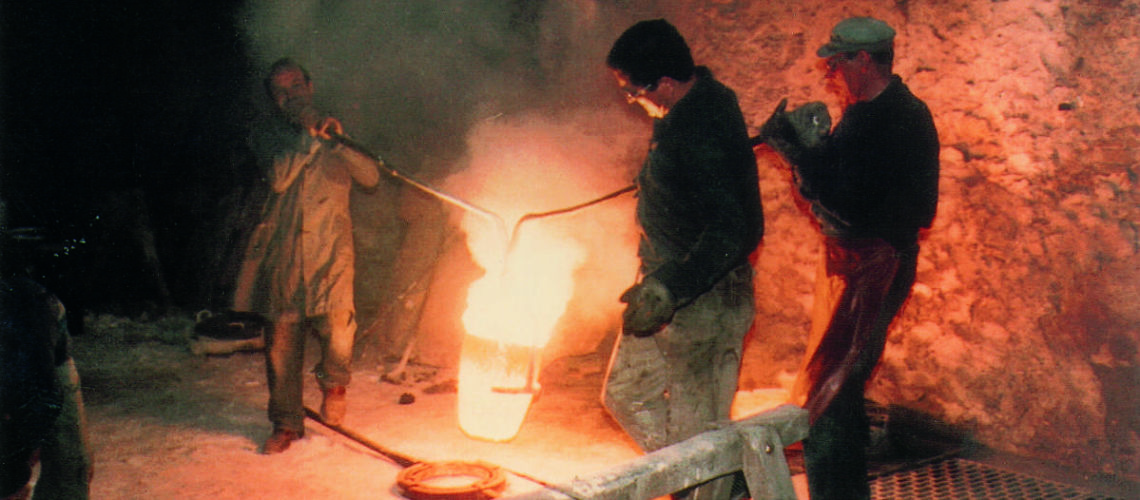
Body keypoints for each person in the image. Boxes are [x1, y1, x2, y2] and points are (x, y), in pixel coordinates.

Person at [758, 16, 940, 499]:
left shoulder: (898, 118)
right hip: (856, 263)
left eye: (838, 63)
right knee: (837, 387)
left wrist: (800, 154)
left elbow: (857, 201)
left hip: (875, 266)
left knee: (829, 397)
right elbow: (840, 191)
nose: (833, 73)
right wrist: (814, 155)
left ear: (864, 59)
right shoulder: (865, 114)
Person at [601, 19, 763, 500]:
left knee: (699, 442)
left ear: (665, 84)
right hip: (664, 286)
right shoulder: (685, 109)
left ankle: (711, 485)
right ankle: (724, 485)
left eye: (634, 92)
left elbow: (738, 228)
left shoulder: (700, 126)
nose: (633, 100)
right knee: (625, 393)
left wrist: (671, 287)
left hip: (705, 303)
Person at [233, 58, 380, 454]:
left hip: (331, 249)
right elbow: (280, 178)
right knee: (281, 341)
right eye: (281, 92)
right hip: (284, 253)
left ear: (310, 86)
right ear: (275, 101)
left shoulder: (338, 124)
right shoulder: (267, 133)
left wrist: (339, 142)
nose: (291, 95)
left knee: (338, 329)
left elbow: (371, 177)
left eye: (296, 86)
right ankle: (285, 423)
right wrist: (309, 139)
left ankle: (333, 383)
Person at [1, 275, 93, 500]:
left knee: (69, 466)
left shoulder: (30, 312)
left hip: (41, 353)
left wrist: (27, 450)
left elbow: (44, 391)